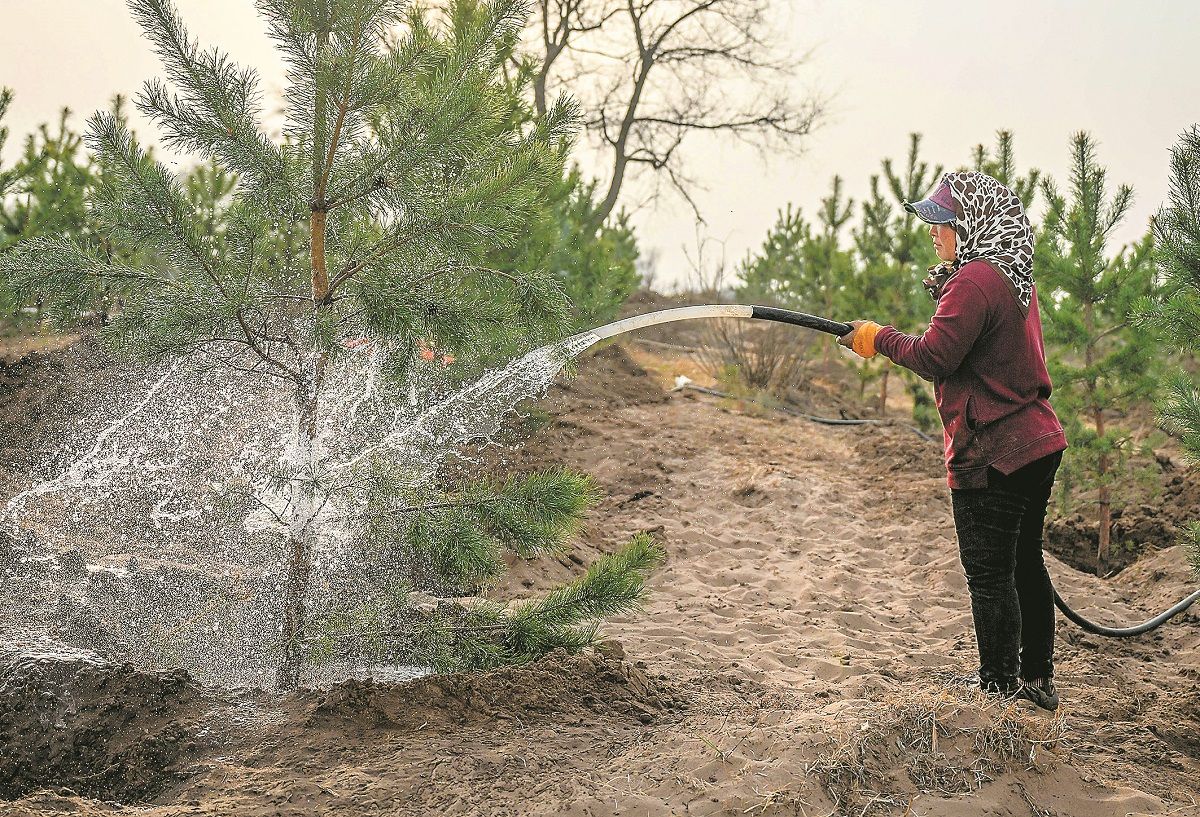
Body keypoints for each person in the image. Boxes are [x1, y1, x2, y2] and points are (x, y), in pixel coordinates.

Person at [837, 171, 1067, 711]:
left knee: (989, 573)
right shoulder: (1012, 275)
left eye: (942, 221)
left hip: (995, 449)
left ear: (970, 223)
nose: (933, 233)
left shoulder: (976, 281)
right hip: (1036, 441)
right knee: (1025, 566)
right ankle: (1036, 681)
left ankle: (998, 688)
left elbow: (935, 357)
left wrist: (877, 338)